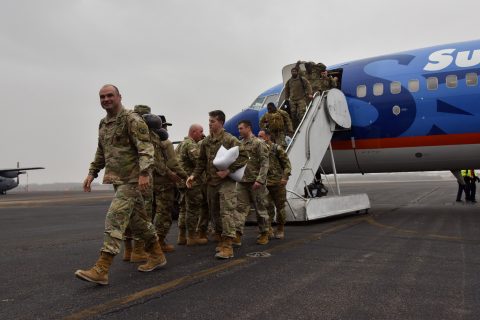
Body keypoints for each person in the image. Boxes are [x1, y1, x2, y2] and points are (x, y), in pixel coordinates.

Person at [75, 85, 166, 286]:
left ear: (119, 97)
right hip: (118, 179)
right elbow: (101, 151)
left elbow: (146, 149)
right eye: (102, 97)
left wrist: (143, 173)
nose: (106, 99)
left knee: (114, 217)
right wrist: (92, 173)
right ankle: (157, 254)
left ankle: (102, 268)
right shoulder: (104, 124)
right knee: (139, 223)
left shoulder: (132, 120)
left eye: (110, 96)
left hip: (133, 180)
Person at [186, 110, 248, 259]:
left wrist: (228, 170)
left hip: (226, 183)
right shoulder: (206, 142)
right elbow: (201, 162)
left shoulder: (229, 139)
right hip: (211, 183)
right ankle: (221, 240)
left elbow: (244, 156)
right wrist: (193, 175)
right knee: (215, 214)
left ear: (220, 122)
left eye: (212, 121)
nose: (209, 124)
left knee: (226, 213)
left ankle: (228, 246)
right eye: (209, 121)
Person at [151, 125, 188, 253]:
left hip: (149, 183)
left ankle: (140, 247)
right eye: (165, 126)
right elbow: (173, 163)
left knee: (149, 213)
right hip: (164, 183)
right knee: (164, 213)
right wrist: (185, 176)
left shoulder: (143, 142)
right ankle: (159, 242)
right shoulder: (165, 142)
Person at [233, 120, 270, 246]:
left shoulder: (258, 143)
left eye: (241, 128)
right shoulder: (240, 144)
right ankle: (237, 235)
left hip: (256, 182)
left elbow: (265, 163)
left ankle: (264, 232)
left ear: (248, 128)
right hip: (242, 181)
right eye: (238, 128)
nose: (239, 131)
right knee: (239, 208)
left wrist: (260, 179)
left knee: (260, 208)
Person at [176, 124, 209, 245]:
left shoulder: (180, 144)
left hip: (181, 182)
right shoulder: (190, 144)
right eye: (201, 132)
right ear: (194, 132)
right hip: (192, 182)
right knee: (193, 209)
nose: (202, 134)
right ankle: (191, 236)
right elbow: (198, 161)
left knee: (184, 208)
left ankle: (181, 236)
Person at [258, 129, 291, 239]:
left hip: (278, 183)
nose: (259, 138)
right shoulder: (259, 150)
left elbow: (287, 164)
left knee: (280, 208)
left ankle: (280, 228)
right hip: (265, 183)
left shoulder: (277, 148)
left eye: (260, 136)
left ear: (267, 137)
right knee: (267, 207)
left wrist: (285, 177)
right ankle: (269, 228)